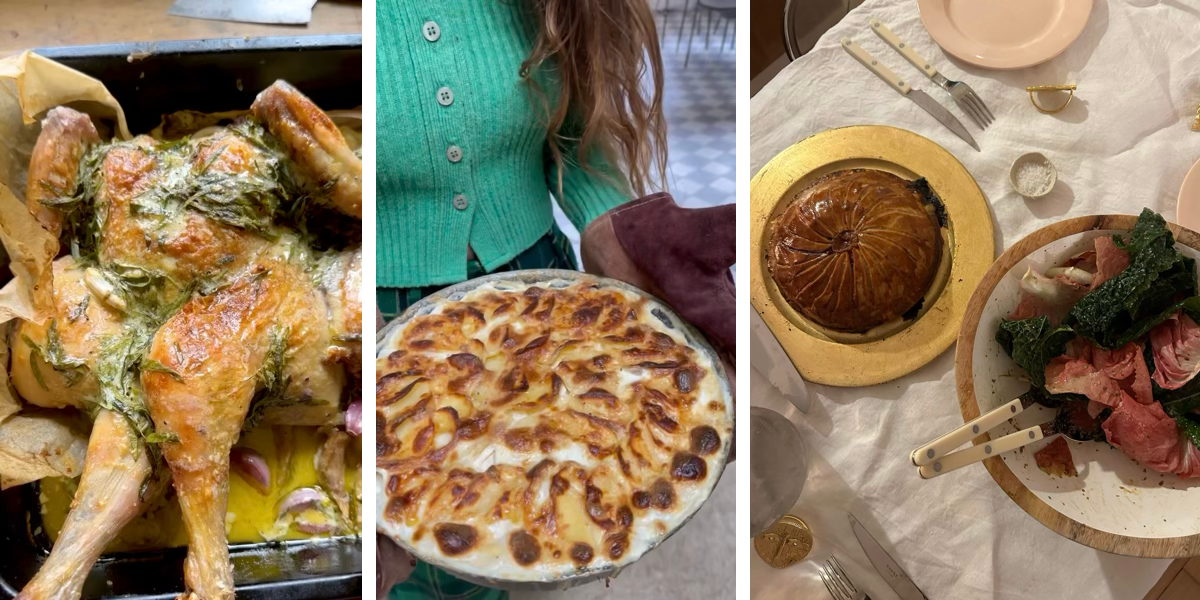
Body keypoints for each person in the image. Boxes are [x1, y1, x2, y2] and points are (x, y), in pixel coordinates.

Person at [376, 1, 667, 597]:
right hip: (381, 319)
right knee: (425, 549)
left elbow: (574, 139)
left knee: (544, 509)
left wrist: (620, 232)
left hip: (550, 306)